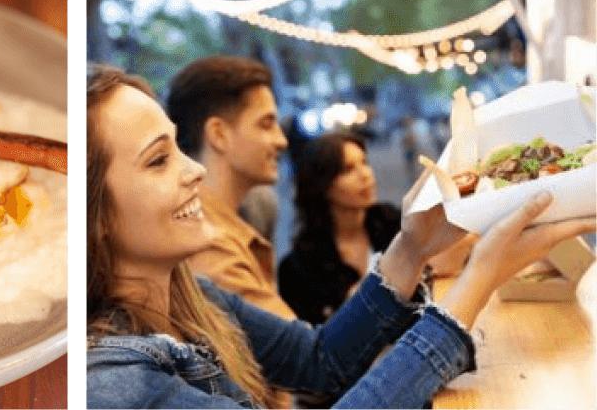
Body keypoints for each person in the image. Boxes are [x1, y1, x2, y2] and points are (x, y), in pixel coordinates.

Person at [85, 64, 597, 410]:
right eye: (157, 160)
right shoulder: (112, 379)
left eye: (178, 149)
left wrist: (412, 246)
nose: (194, 170)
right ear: (95, 215)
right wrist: (477, 280)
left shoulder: (193, 294)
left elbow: (320, 362)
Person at [165, 56, 296, 321]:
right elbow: (308, 358)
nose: (281, 141)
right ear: (219, 134)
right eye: (266, 124)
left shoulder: (225, 222)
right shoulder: (208, 244)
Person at [278, 132, 399, 325]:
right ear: (322, 184)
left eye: (364, 162)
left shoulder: (392, 222)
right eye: (348, 169)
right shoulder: (298, 269)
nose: (365, 175)